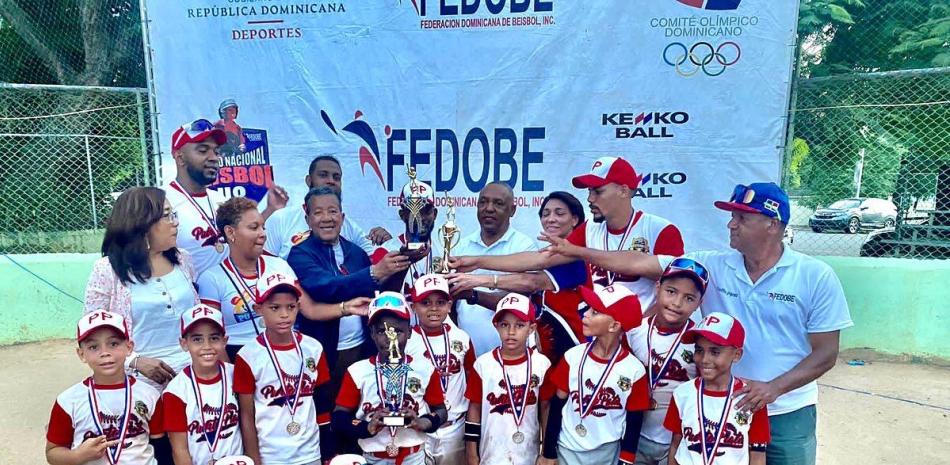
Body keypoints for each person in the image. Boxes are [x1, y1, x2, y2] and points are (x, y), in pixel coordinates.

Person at [542, 182, 853, 465]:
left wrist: (773, 389)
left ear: (772, 224)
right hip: (715, 406)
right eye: (732, 216)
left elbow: (825, 353)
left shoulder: (815, 276)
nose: (731, 224)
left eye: (742, 218)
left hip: (788, 410)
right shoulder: (713, 265)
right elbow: (641, 262)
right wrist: (578, 252)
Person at [450, 156, 685, 312]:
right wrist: (476, 260)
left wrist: (642, 329)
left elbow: (666, 282)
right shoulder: (591, 230)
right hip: (599, 340)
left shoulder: (660, 230)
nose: (590, 198)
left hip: (646, 340)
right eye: (589, 191)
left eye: (598, 191)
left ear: (624, 190)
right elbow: (541, 259)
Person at [197, 196, 368, 361]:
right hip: (237, 356)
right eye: (254, 227)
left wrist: (347, 308)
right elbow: (211, 338)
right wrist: (230, 377)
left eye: (263, 227)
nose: (263, 234)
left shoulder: (279, 265)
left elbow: (310, 310)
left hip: (285, 356)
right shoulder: (211, 279)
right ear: (230, 232)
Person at [287, 186, 412, 394]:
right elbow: (327, 288)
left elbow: (377, 295)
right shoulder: (299, 255)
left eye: (333, 211)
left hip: (361, 349)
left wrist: (400, 268)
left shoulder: (357, 253)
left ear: (342, 217)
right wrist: (375, 272)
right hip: (323, 352)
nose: (326, 218)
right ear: (307, 218)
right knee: (326, 412)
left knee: (359, 413)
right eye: (318, 212)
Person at [446, 191, 588, 366]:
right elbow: (527, 262)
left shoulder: (578, 255)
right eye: (545, 214)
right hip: (550, 352)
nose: (551, 219)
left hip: (576, 346)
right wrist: (476, 262)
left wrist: (478, 279)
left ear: (574, 220)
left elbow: (531, 282)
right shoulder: (547, 255)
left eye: (559, 213)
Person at [84, 187, 198, 389]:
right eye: (166, 216)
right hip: (140, 383)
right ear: (142, 224)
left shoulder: (183, 260)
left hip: (192, 375)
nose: (175, 222)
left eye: (174, 214)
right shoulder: (107, 270)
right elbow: (91, 334)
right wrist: (134, 361)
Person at [332, 292, 449, 465]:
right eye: (382, 331)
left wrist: (423, 422)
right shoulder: (357, 371)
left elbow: (441, 410)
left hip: (413, 457)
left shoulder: (425, 369)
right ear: (372, 333)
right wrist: (366, 427)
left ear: (409, 332)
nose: (390, 339)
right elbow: (339, 417)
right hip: (373, 458)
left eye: (398, 331)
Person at [233, 271, 334, 465]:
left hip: (310, 452)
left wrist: (327, 449)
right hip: (271, 455)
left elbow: (322, 403)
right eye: (275, 308)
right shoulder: (248, 356)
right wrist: (253, 457)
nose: (284, 315)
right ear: (258, 308)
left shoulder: (313, 348)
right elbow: (247, 414)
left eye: (291, 307)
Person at [541, 284, 649, 465]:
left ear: (614, 325)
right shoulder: (572, 357)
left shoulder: (634, 370)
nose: (586, 314)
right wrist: (549, 452)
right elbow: (557, 404)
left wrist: (626, 460)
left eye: (595, 312)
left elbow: (634, 420)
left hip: (607, 453)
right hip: (567, 448)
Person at [165, 118, 288, 275]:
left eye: (216, 152)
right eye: (203, 151)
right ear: (180, 157)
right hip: (193, 296)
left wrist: (270, 209)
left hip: (232, 291)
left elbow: (242, 233)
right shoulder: (162, 203)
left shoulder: (219, 200)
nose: (214, 158)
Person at [46, 310, 165, 465]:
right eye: (94, 347)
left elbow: (161, 446)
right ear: (81, 354)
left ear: (129, 347)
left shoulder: (149, 394)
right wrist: (77, 456)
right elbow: (52, 453)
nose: (105, 353)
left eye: (113, 344)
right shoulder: (68, 401)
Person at [627, 259, 706, 465]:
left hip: (675, 441)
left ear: (700, 303)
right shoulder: (634, 330)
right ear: (657, 287)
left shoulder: (698, 342)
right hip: (633, 435)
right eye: (671, 291)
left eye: (689, 298)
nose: (677, 303)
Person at [664, 313, 770, 465]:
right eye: (699, 350)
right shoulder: (682, 393)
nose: (705, 359)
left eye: (715, 352)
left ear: (737, 355)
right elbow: (676, 444)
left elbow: (758, 453)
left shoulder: (751, 397)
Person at [450, 182, 539, 356]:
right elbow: (451, 303)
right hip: (466, 354)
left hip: (509, 358)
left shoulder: (524, 246)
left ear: (512, 210)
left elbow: (518, 302)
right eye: (483, 202)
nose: (488, 208)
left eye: (498, 203)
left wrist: (473, 295)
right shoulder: (461, 246)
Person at [464, 293, 552, 465]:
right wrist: (471, 452)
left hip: (528, 453)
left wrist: (545, 451)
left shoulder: (542, 364)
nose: (511, 332)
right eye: (505, 325)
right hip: (492, 454)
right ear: (496, 326)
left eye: (519, 325)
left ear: (532, 328)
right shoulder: (483, 364)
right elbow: (474, 408)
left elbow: (545, 408)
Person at [404, 274, 476, 465]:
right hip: (420, 424)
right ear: (413, 307)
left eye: (440, 302)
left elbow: (470, 378)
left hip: (455, 425)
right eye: (425, 302)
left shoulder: (462, 338)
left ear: (450, 305)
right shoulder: (407, 341)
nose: (434, 308)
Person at [265, 155, 391, 258]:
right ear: (309, 180)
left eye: (336, 177)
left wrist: (387, 243)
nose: (331, 180)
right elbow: (264, 266)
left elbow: (375, 265)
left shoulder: (349, 226)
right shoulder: (281, 219)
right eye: (323, 175)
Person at [163, 305, 243, 465]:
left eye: (214, 338)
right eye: (197, 339)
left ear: (224, 341)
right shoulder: (176, 391)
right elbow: (180, 449)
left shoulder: (236, 374)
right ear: (184, 343)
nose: (206, 346)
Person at [371, 178, 441, 299]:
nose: (421, 218)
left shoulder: (445, 249)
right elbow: (381, 296)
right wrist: (405, 262)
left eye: (426, 211)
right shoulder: (385, 251)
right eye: (414, 212)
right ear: (403, 215)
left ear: (434, 214)